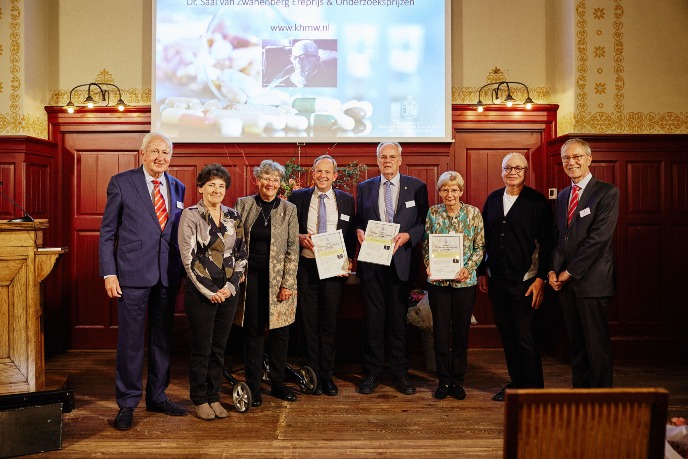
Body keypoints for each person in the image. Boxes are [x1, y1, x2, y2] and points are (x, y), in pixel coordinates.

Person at [99, 132, 187, 431]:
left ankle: (158, 396)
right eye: (155, 152)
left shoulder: (178, 186)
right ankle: (127, 403)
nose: (160, 157)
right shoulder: (122, 182)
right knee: (131, 342)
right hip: (132, 274)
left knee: (162, 339)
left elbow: (175, 233)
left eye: (165, 152)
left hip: (167, 274)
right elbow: (108, 232)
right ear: (142, 153)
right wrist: (109, 273)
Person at [478, 153, 554, 402]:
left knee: (525, 336)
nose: (512, 172)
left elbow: (547, 243)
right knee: (508, 335)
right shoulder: (492, 200)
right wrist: (482, 272)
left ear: (525, 171)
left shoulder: (537, 202)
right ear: (502, 171)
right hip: (497, 279)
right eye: (508, 168)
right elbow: (484, 240)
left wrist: (541, 278)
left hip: (526, 280)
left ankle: (532, 388)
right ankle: (516, 382)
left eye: (518, 168)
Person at [355, 141, 429, 395]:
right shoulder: (364, 188)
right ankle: (372, 373)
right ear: (377, 160)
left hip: (401, 263)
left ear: (400, 159)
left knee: (398, 321)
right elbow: (357, 220)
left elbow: (423, 223)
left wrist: (409, 236)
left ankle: (400, 373)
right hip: (373, 263)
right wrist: (358, 231)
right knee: (374, 321)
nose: (387, 161)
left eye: (392, 157)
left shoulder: (417, 187)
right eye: (383, 157)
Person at [177, 164, 247, 420]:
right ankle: (200, 399)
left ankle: (215, 395)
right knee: (202, 347)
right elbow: (189, 259)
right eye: (211, 185)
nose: (217, 190)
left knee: (219, 347)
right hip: (201, 292)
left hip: (229, 291)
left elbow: (241, 254)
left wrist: (230, 287)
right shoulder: (191, 215)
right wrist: (210, 291)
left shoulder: (233, 216)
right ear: (201, 188)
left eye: (221, 186)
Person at [549, 138, 619, 388]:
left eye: (577, 156)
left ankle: (601, 400)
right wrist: (552, 270)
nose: (571, 162)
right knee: (576, 345)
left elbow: (598, 239)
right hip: (565, 284)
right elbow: (559, 237)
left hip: (592, 283)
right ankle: (580, 396)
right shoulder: (564, 195)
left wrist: (569, 272)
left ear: (589, 158)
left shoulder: (607, 192)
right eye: (566, 158)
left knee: (596, 346)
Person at [288, 154, 356, 396]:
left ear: (335, 176)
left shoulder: (347, 200)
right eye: (319, 171)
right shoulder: (297, 197)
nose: (323, 176)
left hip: (334, 269)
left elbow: (349, 235)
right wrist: (298, 237)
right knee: (308, 322)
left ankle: (327, 375)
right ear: (312, 174)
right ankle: (312, 373)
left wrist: (349, 259)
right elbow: (287, 228)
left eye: (328, 172)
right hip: (306, 266)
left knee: (329, 322)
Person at [234, 160, 300, 406]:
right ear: (257, 180)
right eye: (266, 178)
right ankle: (253, 386)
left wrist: (288, 284)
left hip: (279, 282)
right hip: (250, 281)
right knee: (252, 332)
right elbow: (235, 242)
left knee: (280, 332)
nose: (270, 183)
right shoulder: (243, 205)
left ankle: (278, 384)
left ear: (280, 184)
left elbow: (293, 249)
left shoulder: (289, 209)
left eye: (275, 179)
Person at [423, 171, 485, 400]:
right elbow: (426, 245)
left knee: (461, 332)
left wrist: (468, 268)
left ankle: (458, 381)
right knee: (440, 332)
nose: (450, 194)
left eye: (454, 189)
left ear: (461, 191)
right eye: (445, 190)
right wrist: (429, 264)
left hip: (464, 282)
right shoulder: (433, 213)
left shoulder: (473, 213)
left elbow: (480, 247)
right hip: (438, 282)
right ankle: (443, 381)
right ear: (439, 192)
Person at [268, 39, 336, 88]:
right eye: (294, 58)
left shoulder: (327, 79)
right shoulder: (289, 68)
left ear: (317, 59)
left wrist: (302, 84)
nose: (297, 62)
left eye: (303, 57)